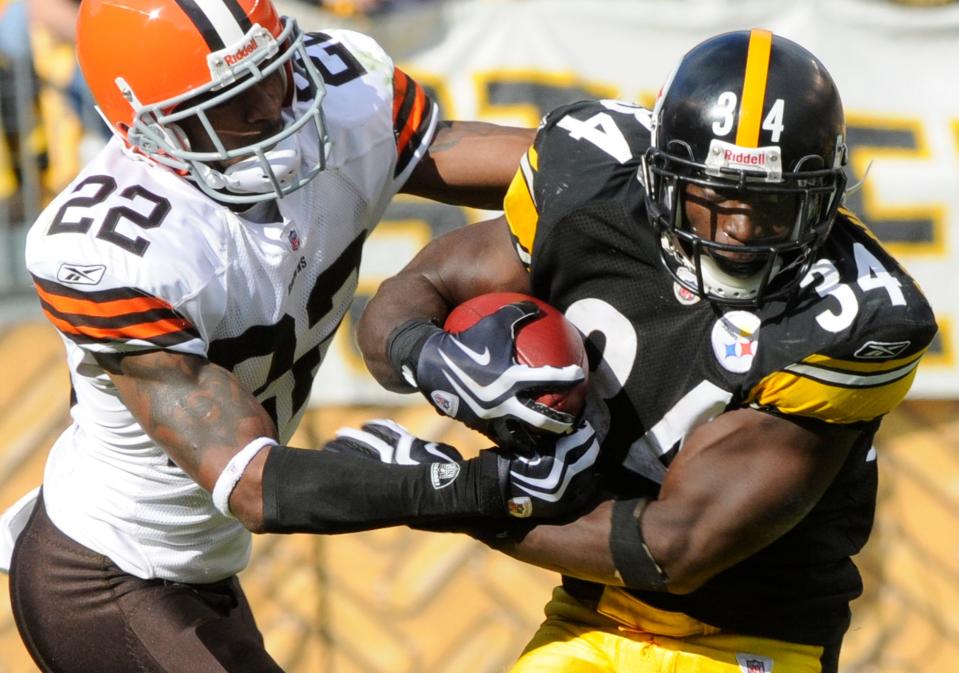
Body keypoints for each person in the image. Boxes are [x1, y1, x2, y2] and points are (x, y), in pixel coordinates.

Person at [3, 1, 600, 672]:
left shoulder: (340, 97)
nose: (272, 107)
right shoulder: (117, 251)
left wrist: (637, 167)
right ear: (153, 131)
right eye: (230, 98)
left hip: (197, 568)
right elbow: (251, 481)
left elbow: (514, 167)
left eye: (273, 70)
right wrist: (477, 486)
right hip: (107, 574)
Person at [354, 29, 939, 673]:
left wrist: (442, 495)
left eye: (772, 206)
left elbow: (673, 550)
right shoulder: (592, 178)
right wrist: (425, 357)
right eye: (714, 199)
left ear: (824, 196)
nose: (740, 233)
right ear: (657, 173)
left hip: (753, 640)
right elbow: (422, 288)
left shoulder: (855, 315)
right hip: (589, 614)